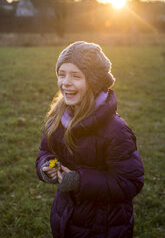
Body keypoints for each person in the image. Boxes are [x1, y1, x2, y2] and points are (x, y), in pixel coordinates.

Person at [36, 41, 144, 238]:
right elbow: (46, 151)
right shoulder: (58, 119)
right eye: (62, 74)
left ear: (93, 82)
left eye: (76, 76)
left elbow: (129, 182)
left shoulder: (116, 131)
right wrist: (46, 166)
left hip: (105, 225)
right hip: (66, 217)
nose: (66, 82)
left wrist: (79, 181)